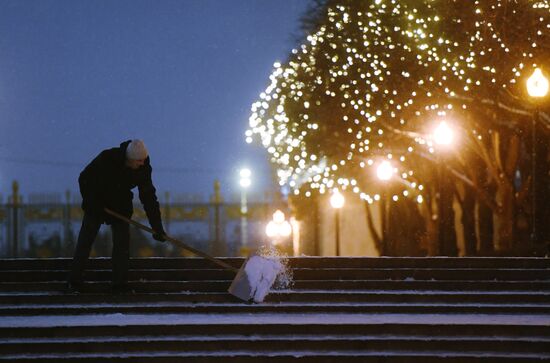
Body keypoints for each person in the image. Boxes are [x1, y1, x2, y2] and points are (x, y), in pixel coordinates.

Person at [67, 139, 166, 293]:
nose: (142, 163)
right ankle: (74, 282)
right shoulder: (107, 158)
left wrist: (157, 227)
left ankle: (120, 284)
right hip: (97, 203)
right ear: (129, 159)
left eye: (144, 160)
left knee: (122, 245)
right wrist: (93, 202)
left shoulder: (144, 168)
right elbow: (84, 178)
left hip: (120, 205)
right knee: (85, 241)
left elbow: (149, 198)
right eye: (139, 161)